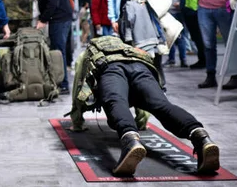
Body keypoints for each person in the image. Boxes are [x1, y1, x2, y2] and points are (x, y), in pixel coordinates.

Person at [68, 36, 220, 176]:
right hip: (141, 68)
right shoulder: (129, 50)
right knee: (162, 105)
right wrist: (141, 121)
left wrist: (77, 121)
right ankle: (201, 138)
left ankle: (130, 141)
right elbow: (145, 105)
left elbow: (78, 87)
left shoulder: (87, 53)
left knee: (116, 101)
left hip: (110, 68)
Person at [27, 0, 74, 94]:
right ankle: (60, 81)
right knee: (57, 50)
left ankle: (63, 84)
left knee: (58, 52)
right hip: (58, 19)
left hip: (59, 20)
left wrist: (43, 19)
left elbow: (53, 2)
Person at [162, 0, 189, 67]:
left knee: (181, 38)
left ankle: (183, 60)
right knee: (168, 39)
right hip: (165, 14)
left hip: (178, 14)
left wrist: (180, 4)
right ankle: (171, 59)